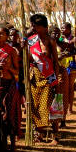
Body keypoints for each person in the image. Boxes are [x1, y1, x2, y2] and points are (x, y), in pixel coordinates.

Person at [26, 14, 60, 144]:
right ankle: (39, 135)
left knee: (51, 105)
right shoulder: (31, 41)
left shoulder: (50, 41)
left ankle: (55, 136)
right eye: (32, 25)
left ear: (44, 27)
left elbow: (55, 61)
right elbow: (29, 59)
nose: (33, 28)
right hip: (34, 77)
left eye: (36, 26)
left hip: (48, 77)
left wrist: (56, 78)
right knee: (35, 106)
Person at [0, 27, 20, 151]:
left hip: (9, 85)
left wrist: (8, 68)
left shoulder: (12, 51)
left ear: (7, 36)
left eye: (1, 33)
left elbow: (17, 71)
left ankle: (12, 143)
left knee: (10, 114)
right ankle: (0, 142)